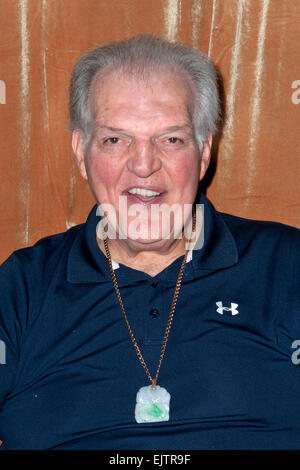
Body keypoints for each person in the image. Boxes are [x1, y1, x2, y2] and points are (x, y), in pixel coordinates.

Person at [0, 34, 299, 450]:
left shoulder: (287, 264)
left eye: (170, 139)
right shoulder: (23, 286)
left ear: (204, 152)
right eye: (115, 139)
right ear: (81, 151)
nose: (144, 165)